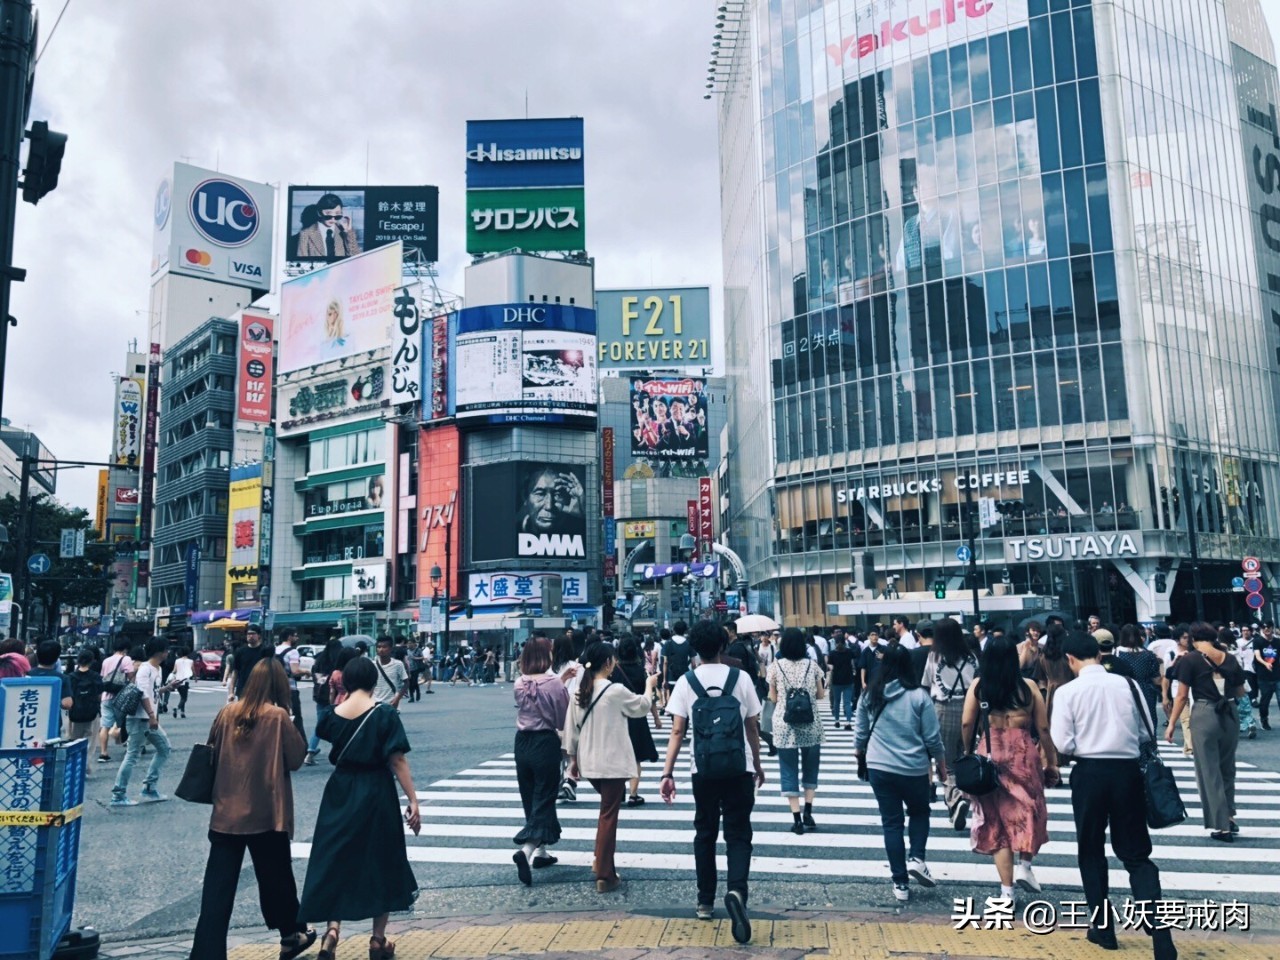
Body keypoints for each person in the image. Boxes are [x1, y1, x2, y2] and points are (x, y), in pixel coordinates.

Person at [1051, 632, 1176, 959]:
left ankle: (1103, 929)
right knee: (1136, 853)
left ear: (1071, 659)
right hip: (1127, 772)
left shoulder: (1067, 692)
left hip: (1089, 773)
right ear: (1099, 654)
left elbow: (1063, 743)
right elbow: (1147, 731)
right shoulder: (1131, 686)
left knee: (1090, 849)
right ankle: (1160, 933)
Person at [189, 660, 313, 960]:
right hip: (267, 813)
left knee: (217, 890)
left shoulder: (227, 712)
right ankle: (290, 935)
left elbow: (212, 751)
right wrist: (292, 716)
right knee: (277, 880)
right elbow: (296, 759)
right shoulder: (278, 716)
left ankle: (207, 954)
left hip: (226, 813)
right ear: (278, 686)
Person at [298, 657, 420, 960]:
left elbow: (327, 730)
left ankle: (333, 931)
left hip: (340, 790)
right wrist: (413, 800)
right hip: (375, 791)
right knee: (382, 859)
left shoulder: (330, 716)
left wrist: (331, 698)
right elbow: (397, 761)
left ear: (346, 682)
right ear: (373, 681)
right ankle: (378, 941)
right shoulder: (385, 715)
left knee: (336, 858)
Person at [659, 620, 764, 941]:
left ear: (695, 648)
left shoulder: (687, 682)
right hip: (738, 767)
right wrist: (757, 765)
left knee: (705, 832)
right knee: (738, 833)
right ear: (722, 645)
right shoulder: (741, 678)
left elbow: (678, 731)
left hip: (702, 770)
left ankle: (705, 901)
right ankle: (736, 893)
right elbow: (752, 728)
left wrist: (667, 772)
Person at [960, 636, 1058, 900]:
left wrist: (968, 752)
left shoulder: (980, 687)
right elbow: (1044, 729)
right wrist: (1052, 762)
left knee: (998, 824)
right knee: (1030, 811)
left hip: (991, 756)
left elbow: (968, 723)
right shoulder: (1027, 688)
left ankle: (1007, 891)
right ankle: (1025, 866)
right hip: (1024, 755)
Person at [562, 640, 660, 893]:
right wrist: (649, 686)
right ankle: (605, 874)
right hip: (612, 764)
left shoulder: (580, 692)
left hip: (588, 762)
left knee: (606, 811)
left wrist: (573, 763)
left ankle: (601, 862)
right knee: (608, 816)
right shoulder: (614, 690)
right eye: (612, 659)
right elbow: (642, 707)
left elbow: (571, 731)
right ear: (608, 663)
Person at [854, 645, 946, 902]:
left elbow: (860, 733)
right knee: (919, 812)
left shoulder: (870, 694)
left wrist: (859, 752)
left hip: (879, 767)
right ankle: (917, 857)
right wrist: (940, 762)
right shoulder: (918, 696)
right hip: (914, 767)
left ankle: (900, 884)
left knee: (891, 823)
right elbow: (932, 737)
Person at [1165, 623, 1243, 842]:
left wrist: (1172, 723)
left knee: (1208, 771)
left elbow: (1181, 696)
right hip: (1229, 712)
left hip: (1205, 711)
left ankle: (1222, 826)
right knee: (1227, 766)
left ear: (1193, 638)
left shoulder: (1189, 659)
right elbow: (1240, 691)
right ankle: (1229, 815)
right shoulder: (1229, 657)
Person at [511, 639, 571, 883]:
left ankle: (542, 852)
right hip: (545, 743)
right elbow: (561, 717)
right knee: (545, 797)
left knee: (531, 796)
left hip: (522, 743)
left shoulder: (518, 683)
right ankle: (526, 851)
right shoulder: (554, 683)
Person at [921, 618, 979, 833]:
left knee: (944, 759)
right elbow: (978, 683)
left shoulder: (935, 656)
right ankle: (960, 797)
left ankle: (955, 799)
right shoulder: (971, 657)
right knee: (965, 754)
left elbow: (926, 685)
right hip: (970, 709)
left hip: (943, 708)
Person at [766, 627, 825, 834]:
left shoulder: (775, 667)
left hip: (785, 725)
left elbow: (773, 698)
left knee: (788, 769)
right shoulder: (812, 665)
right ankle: (809, 810)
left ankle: (797, 818)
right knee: (811, 767)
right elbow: (820, 695)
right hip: (811, 723)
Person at [111, 637, 175, 806]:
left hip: (147, 718)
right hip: (140, 718)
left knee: (164, 748)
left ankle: (149, 787)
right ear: (160, 652)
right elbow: (142, 693)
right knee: (132, 755)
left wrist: (166, 689)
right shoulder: (145, 669)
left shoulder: (158, 669)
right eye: (166, 650)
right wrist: (152, 715)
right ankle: (118, 794)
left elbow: (151, 691)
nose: (168, 653)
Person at [610, 635, 662, 807]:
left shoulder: (614, 672)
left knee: (618, 756)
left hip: (618, 717)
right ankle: (634, 794)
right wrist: (656, 717)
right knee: (636, 758)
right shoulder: (642, 671)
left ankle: (619, 791)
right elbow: (650, 697)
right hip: (638, 718)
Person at [516, 465, 586, 540]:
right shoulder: (510, 534)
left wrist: (585, 515)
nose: (549, 506)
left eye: (558, 494)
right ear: (525, 496)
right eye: (540, 494)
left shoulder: (582, 531)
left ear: (569, 498)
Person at [98, 637, 134, 763]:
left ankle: (103, 752)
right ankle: (128, 746)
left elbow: (103, 677)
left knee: (104, 725)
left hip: (106, 696)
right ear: (126, 648)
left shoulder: (106, 660)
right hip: (120, 697)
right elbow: (130, 676)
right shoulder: (126, 659)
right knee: (125, 722)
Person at [295, 192, 361, 260]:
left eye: (337, 214)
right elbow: (302, 261)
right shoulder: (305, 234)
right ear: (319, 213)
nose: (333, 218)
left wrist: (348, 232)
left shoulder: (343, 232)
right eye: (328, 214)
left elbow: (356, 259)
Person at [1116, 624, 1162, 721]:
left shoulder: (1117, 653)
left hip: (1124, 691)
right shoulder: (1148, 655)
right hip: (1146, 690)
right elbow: (1156, 679)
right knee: (1148, 720)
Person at [1162, 626, 1195, 756]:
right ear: (1177, 640)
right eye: (1184, 638)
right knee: (1185, 719)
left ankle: (1188, 747)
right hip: (1178, 689)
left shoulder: (1194, 651)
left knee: (1193, 718)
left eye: (1189, 637)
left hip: (1193, 688)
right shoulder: (1170, 653)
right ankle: (1192, 747)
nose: (1188, 640)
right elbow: (1167, 675)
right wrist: (1165, 695)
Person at [28, 640, 73, 732]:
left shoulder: (26, 674)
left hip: (28, 719)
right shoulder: (62, 678)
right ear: (57, 658)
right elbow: (67, 704)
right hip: (51, 722)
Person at [226, 626, 274, 702]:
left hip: (261, 690)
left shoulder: (265, 651)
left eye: (253, 634)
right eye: (248, 634)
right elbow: (235, 672)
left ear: (259, 636)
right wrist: (231, 692)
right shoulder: (240, 652)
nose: (250, 636)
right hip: (243, 689)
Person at [275, 630, 307, 740]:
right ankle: (301, 745)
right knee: (296, 717)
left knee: (279, 717)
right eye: (295, 636)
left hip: (276, 688)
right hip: (290, 688)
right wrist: (307, 672)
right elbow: (295, 671)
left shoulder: (275, 650)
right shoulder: (293, 652)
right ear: (289, 637)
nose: (297, 638)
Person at [826, 634, 857, 730]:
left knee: (836, 702)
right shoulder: (849, 652)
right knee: (847, 703)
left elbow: (830, 667)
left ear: (835, 642)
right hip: (848, 680)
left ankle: (837, 721)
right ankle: (848, 722)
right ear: (845, 642)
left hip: (836, 680)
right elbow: (853, 661)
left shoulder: (832, 653)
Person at [371, 636, 408, 707]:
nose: (381, 649)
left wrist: (397, 698)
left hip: (392, 704)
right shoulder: (372, 665)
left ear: (391, 648)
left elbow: (406, 683)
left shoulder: (398, 664)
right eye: (379, 647)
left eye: (384, 647)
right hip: (375, 704)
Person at [1255, 624, 1278, 730]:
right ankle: (1264, 720)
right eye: (1264, 628)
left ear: (1272, 628)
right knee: (1265, 701)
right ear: (1261, 630)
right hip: (1264, 676)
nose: (1266, 629)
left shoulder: (1277, 641)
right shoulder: (1258, 641)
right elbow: (1257, 656)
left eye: (1268, 627)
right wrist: (1265, 664)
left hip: (1278, 675)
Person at [171, 647, 193, 719]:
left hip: (178, 681)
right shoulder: (190, 661)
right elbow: (193, 670)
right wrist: (195, 677)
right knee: (184, 698)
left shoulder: (177, 661)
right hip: (185, 681)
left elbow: (174, 671)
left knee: (182, 697)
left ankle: (182, 713)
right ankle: (177, 708)